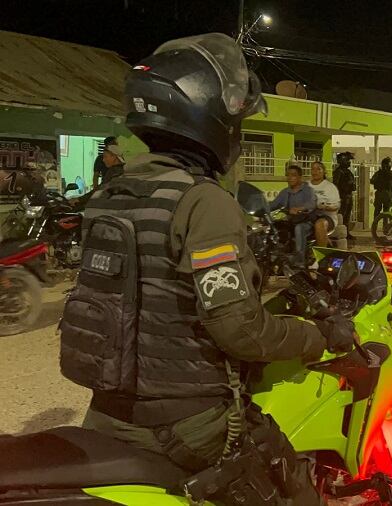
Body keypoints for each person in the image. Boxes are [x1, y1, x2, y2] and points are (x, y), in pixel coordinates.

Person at [59, 34, 353, 504]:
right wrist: (316, 335)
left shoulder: (113, 194)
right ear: (209, 118)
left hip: (107, 412)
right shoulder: (202, 201)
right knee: (295, 485)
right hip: (186, 424)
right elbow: (241, 331)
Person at [270, 163, 323, 264]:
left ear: (299, 177)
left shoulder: (308, 190)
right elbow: (273, 204)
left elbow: (311, 204)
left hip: (307, 222)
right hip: (291, 222)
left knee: (299, 228)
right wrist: (260, 207)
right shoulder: (285, 192)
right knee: (274, 226)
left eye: (293, 175)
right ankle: (275, 256)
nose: (290, 178)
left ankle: (299, 260)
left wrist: (299, 209)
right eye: (288, 175)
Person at [308, 160, 341, 249]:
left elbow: (336, 206)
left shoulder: (330, 187)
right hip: (308, 215)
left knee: (320, 224)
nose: (315, 172)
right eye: (313, 169)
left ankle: (322, 252)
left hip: (326, 217)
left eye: (318, 169)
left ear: (324, 171)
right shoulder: (306, 185)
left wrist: (324, 207)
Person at [332, 151, 356, 239]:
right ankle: (339, 233)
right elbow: (335, 185)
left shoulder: (348, 172)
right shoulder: (339, 172)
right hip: (342, 197)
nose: (349, 162)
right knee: (341, 216)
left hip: (348, 196)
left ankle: (346, 233)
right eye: (348, 160)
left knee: (347, 216)